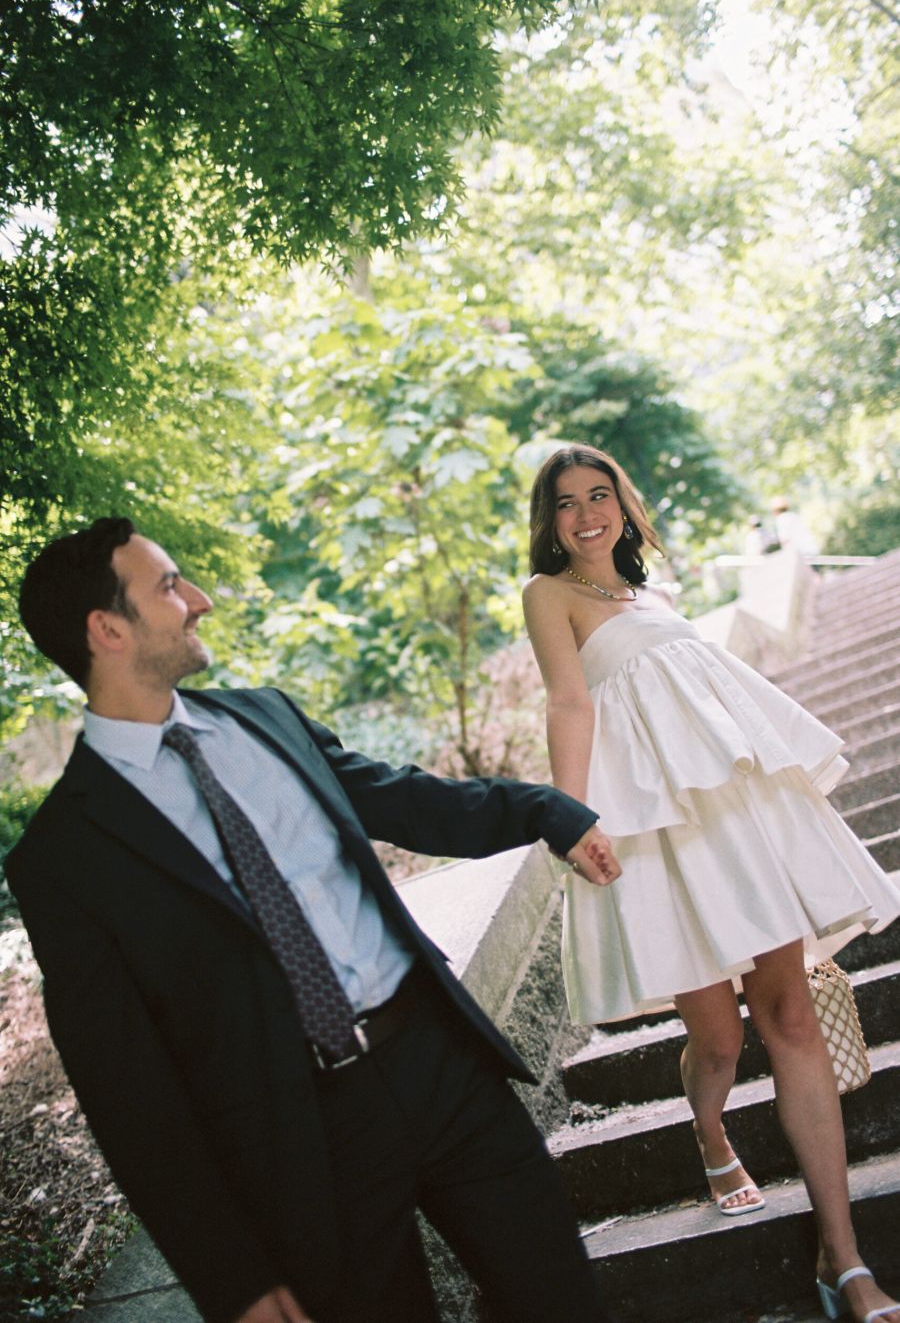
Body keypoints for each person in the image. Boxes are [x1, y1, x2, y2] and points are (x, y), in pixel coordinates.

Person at [8, 517, 624, 1323]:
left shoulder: (263, 717)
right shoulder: (65, 855)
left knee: (563, 1303)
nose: (201, 599)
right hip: (298, 1146)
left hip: (441, 1067)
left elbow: (401, 799)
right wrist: (230, 1278)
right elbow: (128, 1090)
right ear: (107, 628)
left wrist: (545, 809)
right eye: (169, 585)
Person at [522, 444, 900, 1323]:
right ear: (549, 522)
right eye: (567, 502)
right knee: (721, 1042)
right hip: (656, 832)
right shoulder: (551, 596)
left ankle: (842, 1259)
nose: (586, 514)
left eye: (600, 495)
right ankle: (709, 1126)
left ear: (623, 504)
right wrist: (571, 815)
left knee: (790, 1015)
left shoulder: (654, 593)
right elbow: (570, 703)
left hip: (730, 814)